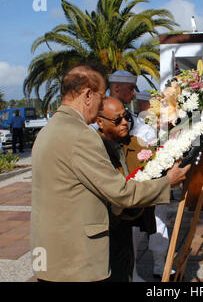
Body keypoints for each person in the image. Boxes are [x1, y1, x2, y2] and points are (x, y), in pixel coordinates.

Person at [31, 65, 190, 282]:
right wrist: (167, 182)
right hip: (77, 259)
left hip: (51, 252)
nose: (100, 106)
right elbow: (120, 191)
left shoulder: (47, 131)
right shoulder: (80, 136)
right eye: (100, 96)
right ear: (87, 95)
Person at [108, 71, 174, 281]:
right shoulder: (103, 116)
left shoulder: (134, 118)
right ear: (116, 88)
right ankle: (132, 271)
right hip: (121, 184)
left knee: (146, 224)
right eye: (131, 89)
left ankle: (152, 266)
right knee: (129, 232)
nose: (134, 94)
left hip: (143, 182)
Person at [97, 96, 157, 282]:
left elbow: (156, 164)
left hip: (126, 224)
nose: (124, 122)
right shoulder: (94, 149)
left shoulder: (135, 143)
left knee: (125, 269)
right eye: (117, 120)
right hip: (104, 226)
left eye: (126, 117)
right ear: (100, 122)